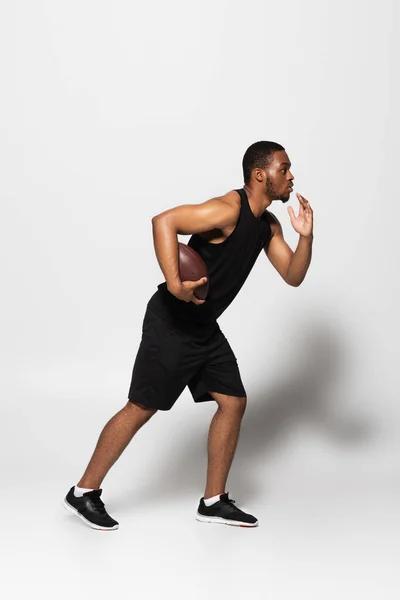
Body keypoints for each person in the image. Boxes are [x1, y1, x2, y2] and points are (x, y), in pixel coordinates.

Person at [63, 140, 314, 530]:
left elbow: (293, 276)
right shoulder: (228, 209)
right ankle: (83, 492)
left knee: (233, 401)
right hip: (171, 321)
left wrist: (306, 237)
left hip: (203, 327)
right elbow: (163, 221)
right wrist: (175, 282)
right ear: (260, 175)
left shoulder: (268, 226)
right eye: (285, 168)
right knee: (141, 407)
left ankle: (213, 501)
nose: (291, 175)